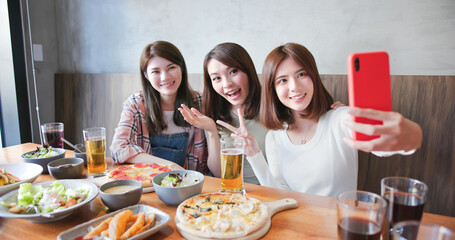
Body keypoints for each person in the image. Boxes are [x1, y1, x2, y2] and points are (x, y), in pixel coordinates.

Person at [217, 43, 422, 198]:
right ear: (273, 89)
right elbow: (280, 193)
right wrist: (253, 153)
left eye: (301, 74)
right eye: (283, 80)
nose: (295, 87)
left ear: (314, 77)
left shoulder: (340, 119)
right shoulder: (275, 138)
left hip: (342, 226)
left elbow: (384, 146)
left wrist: (412, 135)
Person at [179, 42, 344, 184]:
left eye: (233, 72)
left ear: (248, 70)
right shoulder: (215, 115)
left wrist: (333, 112)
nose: (227, 84)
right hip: (235, 193)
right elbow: (220, 174)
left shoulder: (275, 105)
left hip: (274, 192)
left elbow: (307, 110)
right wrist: (212, 132)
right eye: (216, 78)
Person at [110, 41, 212, 175]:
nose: (165, 77)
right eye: (155, 71)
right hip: (148, 186)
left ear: (181, 67)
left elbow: (215, 166)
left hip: (190, 186)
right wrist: (169, 165)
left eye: (171, 68)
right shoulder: (136, 104)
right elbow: (118, 149)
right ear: (146, 76)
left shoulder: (201, 103)